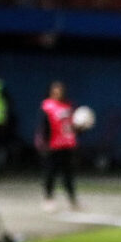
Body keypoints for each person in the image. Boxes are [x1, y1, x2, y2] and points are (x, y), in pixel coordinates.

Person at [36, 80, 83, 212]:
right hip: (53, 146)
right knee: (50, 173)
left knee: (68, 175)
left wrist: (81, 127)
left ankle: (72, 200)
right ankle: (48, 199)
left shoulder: (68, 106)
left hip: (68, 145)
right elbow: (43, 126)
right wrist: (44, 144)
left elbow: (72, 126)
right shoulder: (47, 106)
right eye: (55, 90)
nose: (58, 92)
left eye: (60, 90)